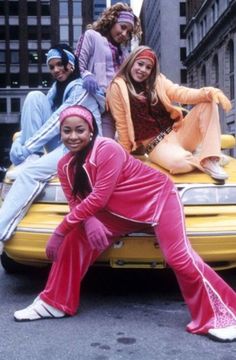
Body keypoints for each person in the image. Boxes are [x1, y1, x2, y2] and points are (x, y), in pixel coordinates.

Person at [14, 104, 236, 343]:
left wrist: (59, 231)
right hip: (116, 214)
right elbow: (75, 203)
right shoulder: (64, 165)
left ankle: (225, 315)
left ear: (91, 131)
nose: (73, 136)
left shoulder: (107, 148)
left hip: (157, 201)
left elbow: (99, 196)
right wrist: (88, 223)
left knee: (179, 258)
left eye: (79, 130)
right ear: (61, 134)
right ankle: (54, 302)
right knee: (74, 237)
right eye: (67, 131)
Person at [0, 44, 105, 255]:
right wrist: (23, 145)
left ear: (71, 63)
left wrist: (23, 148)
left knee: (29, 174)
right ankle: (32, 157)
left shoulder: (81, 87)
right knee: (33, 97)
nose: (56, 70)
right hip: (66, 142)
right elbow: (40, 120)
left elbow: (56, 123)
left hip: (84, 148)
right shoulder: (57, 90)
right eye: (52, 67)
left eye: (60, 64)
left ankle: (1, 232)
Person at [106, 45, 232, 181]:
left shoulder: (157, 80)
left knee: (208, 102)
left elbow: (180, 92)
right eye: (140, 64)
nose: (143, 70)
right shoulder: (117, 87)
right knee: (179, 164)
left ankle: (210, 159)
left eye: (148, 67)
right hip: (156, 145)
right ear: (131, 62)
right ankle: (201, 157)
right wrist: (123, 160)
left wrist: (208, 92)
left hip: (179, 132)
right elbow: (122, 125)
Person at [75, 2, 141, 138]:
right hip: (91, 98)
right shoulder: (92, 36)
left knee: (106, 144)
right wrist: (87, 75)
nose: (124, 34)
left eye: (128, 32)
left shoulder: (124, 54)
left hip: (110, 107)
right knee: (85, 140)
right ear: (112, 21)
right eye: (122, 27)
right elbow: (77, 64)